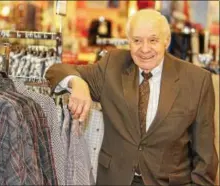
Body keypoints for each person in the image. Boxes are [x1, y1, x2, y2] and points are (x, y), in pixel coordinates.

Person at [45, 9, 218, 185]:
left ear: (166, 41)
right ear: (128, 41)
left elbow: (205, 157)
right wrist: (77, 83)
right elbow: (55, 71)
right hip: (115, 179)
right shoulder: (112, 66)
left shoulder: (196, 80)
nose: (144, 49)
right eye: (137, 41)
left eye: (153, 40)